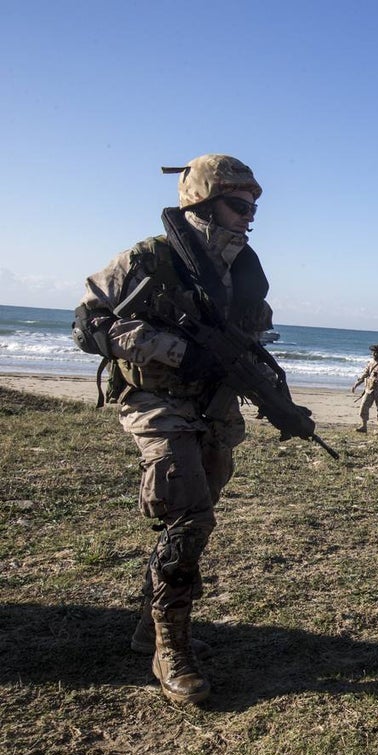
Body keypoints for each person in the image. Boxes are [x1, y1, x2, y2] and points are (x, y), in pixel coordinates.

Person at [71, 154, 271, 705]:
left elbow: (250, 334)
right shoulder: (147, 259)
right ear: (204, 201)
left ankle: (148, 627)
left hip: (214, 407)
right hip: (157, 401)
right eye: (239, 205)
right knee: (188, 517)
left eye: (253, 207)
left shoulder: (243, 267)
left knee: (194, 521)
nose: (249, 216)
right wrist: (177, 351)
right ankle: (171, 649)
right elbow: (89, 325)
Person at [350, 344, 378, 433]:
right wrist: (356, 384)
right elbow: (365, 374)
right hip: (369, 389)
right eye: (373, 352)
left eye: (375, 352)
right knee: (363, 407)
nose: (373, 354)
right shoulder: (371, 363)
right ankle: (363, 426)